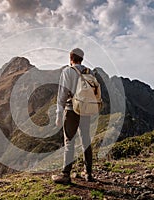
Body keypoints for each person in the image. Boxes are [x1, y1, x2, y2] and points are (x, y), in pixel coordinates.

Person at [52, 48, 94, 184]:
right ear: (82, 58)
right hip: (86, 110)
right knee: (86, 140)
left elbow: (62, 94)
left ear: (71, 58)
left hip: (71, 110)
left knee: (69, 142)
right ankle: (88, 173)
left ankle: (65, 174)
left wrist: (58, 114)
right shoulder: (89, 72)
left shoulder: (67, 71)